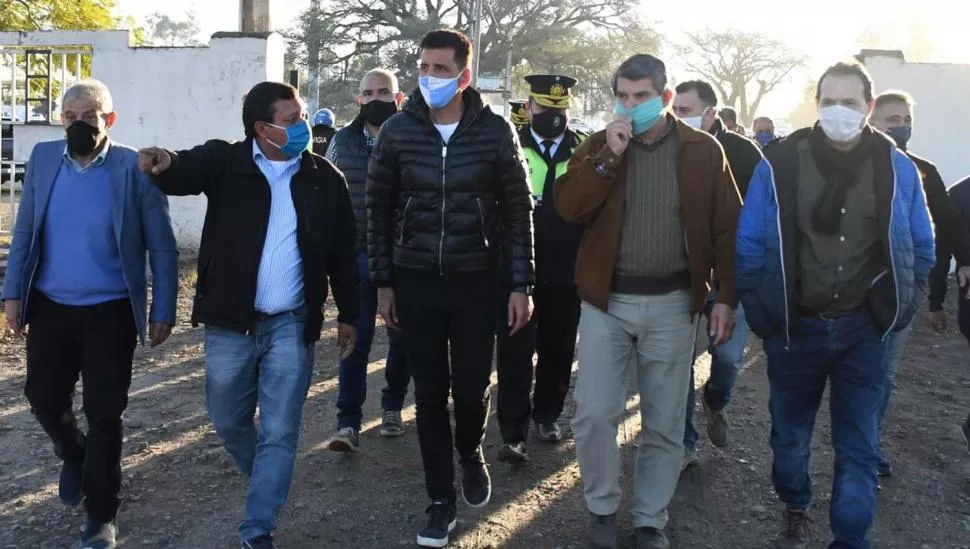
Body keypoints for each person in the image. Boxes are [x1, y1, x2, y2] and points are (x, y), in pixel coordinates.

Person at [137, 81, 359, 549]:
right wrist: (165, 160)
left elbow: (343, 253)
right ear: (263, 128)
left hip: (291, 321)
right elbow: (184, 169)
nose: (303, 125)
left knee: (280, 429)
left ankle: (258, 527)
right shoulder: (227, 163)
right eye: (292, 118)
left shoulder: (324, 178)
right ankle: (265, 475)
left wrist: (349, 316)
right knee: (227, 418)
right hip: (230, 321)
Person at [735, 61, 934, 549]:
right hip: (795, 329)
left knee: (860, 446)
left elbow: (921, 247)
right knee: (789, 440)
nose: (838, 111)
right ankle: (795, 502)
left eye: (850, 102)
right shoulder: (780, 163)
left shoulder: (896, 167)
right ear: (817, 104)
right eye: (829, 101)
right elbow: (751, 245)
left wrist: (897, 309)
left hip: (864, 331)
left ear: (868, 107)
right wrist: (765, 315)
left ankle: (850, 538)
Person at [556, 53, 741, 549]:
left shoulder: (702, 151)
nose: (630, 105)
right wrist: (608, 158)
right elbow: (570, 207)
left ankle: (649, 519)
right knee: (594, 412)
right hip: (606, 301)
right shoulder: (599, 144)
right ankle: (601, 507)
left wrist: (725, 295)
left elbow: (728, 227)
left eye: (641, 97)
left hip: (673, 303)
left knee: (662, 420)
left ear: (664, 98)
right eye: (622, 95)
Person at [366, 29, 534, 548]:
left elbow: (516, 212)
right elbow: (378, 210)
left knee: (468, 387)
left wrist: (519, 284)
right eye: (425, 67)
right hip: (415, 281)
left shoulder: (494, 131)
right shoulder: (397, 131)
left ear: (464, 75)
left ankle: (470, 451)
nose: (430, 77)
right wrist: (384, 283)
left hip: (476, 282)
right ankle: (440, 500)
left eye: (441, 69)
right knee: (430, 393)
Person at [2, 79, 178, 549]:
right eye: (71, 117)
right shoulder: (42, 160)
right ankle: (73, 455)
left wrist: (163, 307)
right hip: (51, 304)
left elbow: (161, 246)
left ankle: (101, 513)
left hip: (110, 311)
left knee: (104, 412)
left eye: (89, 116)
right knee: (41, 396)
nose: (79, 124)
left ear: (109, 119)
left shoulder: (134, 168)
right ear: (61, 119)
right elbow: (25, 231)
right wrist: (12, 294)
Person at [869, 89, 970, 477]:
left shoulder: (923, 170)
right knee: (854, 372)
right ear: (873, 119)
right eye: (893, 120)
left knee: (885, 372)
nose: (902, 127)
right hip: (847, 291)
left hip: (899, 290)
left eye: (907, 120)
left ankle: (868, 445)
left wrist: (965, 260)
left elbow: (948, 220)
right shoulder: (846, 167)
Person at [495, 74, 585, 465]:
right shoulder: (509, 146)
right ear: (529, 108)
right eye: (546, 109)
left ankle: (547, 414)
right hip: (519, 269)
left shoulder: (582, 150)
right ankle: (513, 433)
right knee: (515, 350)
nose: (553, 116)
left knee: (559, 347)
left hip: (567, 269)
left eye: (560, 110)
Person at [672, 79, 763, 464]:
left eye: (686, 111)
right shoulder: (666, 146)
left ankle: (716, 399)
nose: (678, 118)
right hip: (680, 274)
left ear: (710, 112)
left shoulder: (746, 154)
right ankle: (685, 441)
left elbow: (758, 217)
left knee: (727, 357)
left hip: (728, 275)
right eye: (675, 110)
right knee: (678, 364)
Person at [322, 68, 411, 451]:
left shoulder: (412, 137)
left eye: (383, 92)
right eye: (368, 92)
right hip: (356, 257)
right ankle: (348, 422)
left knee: (401, 340)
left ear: (398, 97)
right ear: (358, 98)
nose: (375, 99)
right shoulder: (341, 142)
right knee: (353, 342)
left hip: (403, 259)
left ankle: (391, 407)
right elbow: (327, 197)